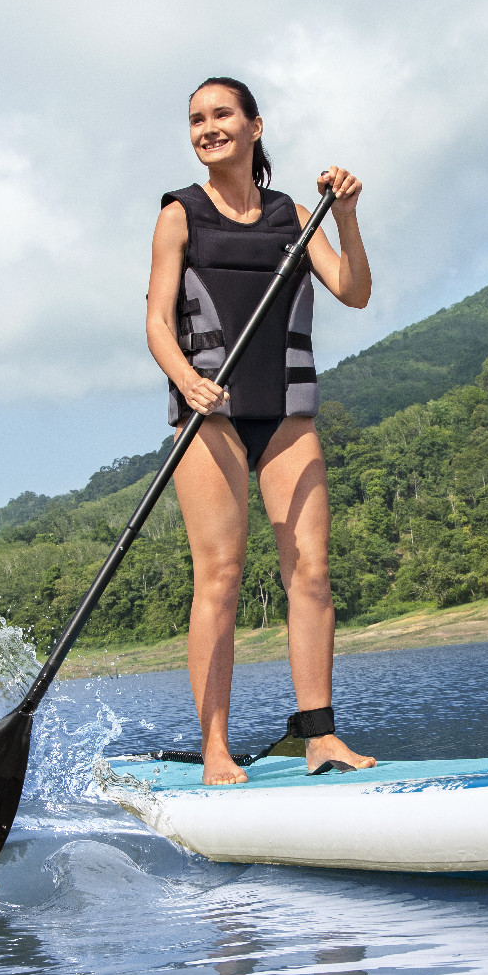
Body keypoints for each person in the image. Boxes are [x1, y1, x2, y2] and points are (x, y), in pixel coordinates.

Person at [145, 76, 378, 785]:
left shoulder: (295, 217)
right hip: (208, 414)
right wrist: (187, 381)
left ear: (254, 126)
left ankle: (321, 736)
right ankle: (216, 750)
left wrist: (347, 217)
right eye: (196, 119)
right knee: (218, 576)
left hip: (286, 413)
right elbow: (157, 322)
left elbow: (355, 291)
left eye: (221, 115)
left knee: (310, 570)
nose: (207, 128)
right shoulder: (179, 215)